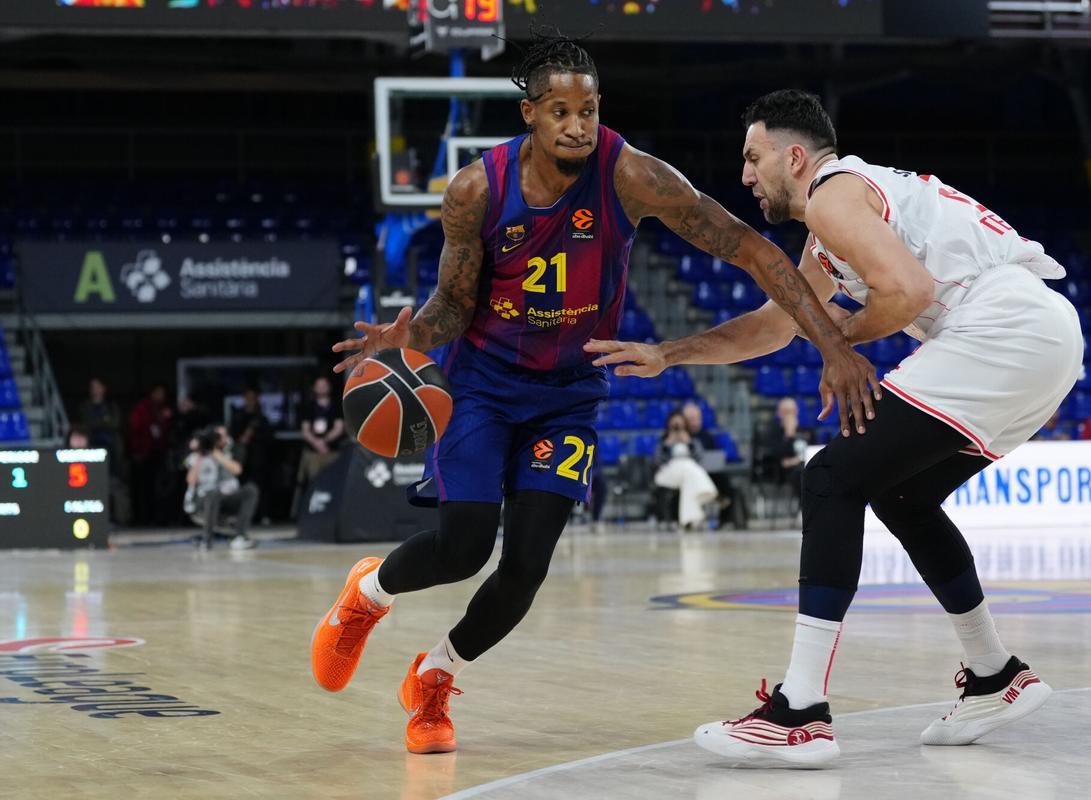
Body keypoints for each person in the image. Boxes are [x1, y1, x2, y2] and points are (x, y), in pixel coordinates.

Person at [312, 34, 877, 757]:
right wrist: (412, 333)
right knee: (464, 548)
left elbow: (753, 250)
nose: (578, 124)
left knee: (526, 567)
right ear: (530, 114)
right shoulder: (475, 190)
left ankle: (434, 675)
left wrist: (832, 343)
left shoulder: (631, 176)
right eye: (560, 111)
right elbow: (452, 307)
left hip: (569, 391)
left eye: (589, 108)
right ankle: (367, 597)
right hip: (484, 385)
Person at [588, 89, 1083, 766]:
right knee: (899, 493)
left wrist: (837, 344)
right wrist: (667, 353)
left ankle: (801, 710)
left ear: (795, 156)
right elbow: (772, 325)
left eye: (753, 157)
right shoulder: (835, 230)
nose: (745, 175)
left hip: (1000, 326)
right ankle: (994, 672)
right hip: (1042, 338)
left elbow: (905, 291)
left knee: (829, 477)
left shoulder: (833, 191)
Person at [184, 425, 258, 550]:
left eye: (221, 436)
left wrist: (216, 453)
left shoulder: (232, 449)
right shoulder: (199, 454)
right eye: (215, 436)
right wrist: (200, 454)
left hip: (226, 496)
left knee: (250, 490)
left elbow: (237, 470)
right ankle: (206, 540)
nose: (218, 439)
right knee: (213, 494)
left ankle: (239, 537)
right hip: (204, 499)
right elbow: (191, 480)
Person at [681, 400, 748, 528]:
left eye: (696, 418)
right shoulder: (680, 435)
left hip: (709, 473)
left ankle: (724, 520)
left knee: (727, 486)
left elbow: (712, 455)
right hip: (689, 477)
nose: (694, 422)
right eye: (691, 419)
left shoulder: (706, 435)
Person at [653, 410, 718, 529]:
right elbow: (657, 461)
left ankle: (689, 519)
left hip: (687, 475)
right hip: (668, 474)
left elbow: (700, 458)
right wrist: (667, 445)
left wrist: (689, 443)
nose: (678, 429)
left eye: (680, 426)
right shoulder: (663, 441)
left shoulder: (692, 440)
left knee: (688, 474)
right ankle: (706, 491)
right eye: (674, 426)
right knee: (688, 466)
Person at [295, 376, 344, 513]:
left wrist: (325, 441)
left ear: (329, 387)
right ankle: (313, 510)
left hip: (332, 451)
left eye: (324, 385)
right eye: (319, 385)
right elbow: (305, 430)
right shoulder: (308, 406)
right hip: (313, 453)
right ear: (314, 388)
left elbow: (339, 427)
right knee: (314, 481)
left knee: (334, 480)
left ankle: (334, 508)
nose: (322, 387)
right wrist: (317, 443)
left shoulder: (336, 405)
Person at [127, 383, 173, 526]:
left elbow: (166, 432)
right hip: (142, 455)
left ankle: (157, 518)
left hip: (158, 454)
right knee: (142, 488)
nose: (161, 396)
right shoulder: (141, 408)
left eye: (162, 393)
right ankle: (141, 518)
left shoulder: (163, 409)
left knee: (158, 489)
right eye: (158, 393)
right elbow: (134, 430)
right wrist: (136, 452)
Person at [229, 387, 273, 521]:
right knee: (241, 488)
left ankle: (264, 515)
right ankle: (242, 516)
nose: (250, 400)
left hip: (258, 459)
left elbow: (269, 438)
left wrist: (254, 436)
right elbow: (232, 435)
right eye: (247, 397)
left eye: (252, 397)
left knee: (261, 488)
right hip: (241, 460)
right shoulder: (238, 416)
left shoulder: (261, 418)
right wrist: (242, 438)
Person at [765, 396, 811, 509]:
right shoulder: (774, 433)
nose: (790, 415)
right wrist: (789, 435)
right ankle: (804, 509)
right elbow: (777, 455)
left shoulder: (806, 431)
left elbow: (814, 450)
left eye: (792, 411)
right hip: (783, 472)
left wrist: (797, 460)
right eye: (786, 412)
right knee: (801, 474)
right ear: (779, 414)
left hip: (806, 465)